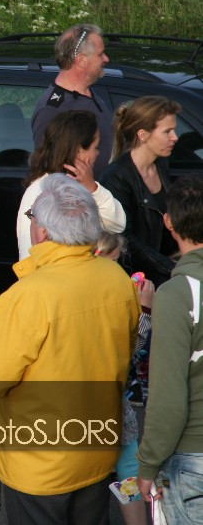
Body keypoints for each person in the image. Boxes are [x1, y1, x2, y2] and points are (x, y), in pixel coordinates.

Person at [0, 174, 139, 524]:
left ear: (42, 232)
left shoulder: (28, 295)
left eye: (32, 218)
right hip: (97, 446)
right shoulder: (116, 279)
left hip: (39, 462)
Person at [138, 175, 203, 523]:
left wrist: (148, 464)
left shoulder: (178, 294)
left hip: (193, 455)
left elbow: (168, 395)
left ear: (168, 222)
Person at [94, 231, 153, 525]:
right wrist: (145, 309)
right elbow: (134, 350)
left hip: (78, 398)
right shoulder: (114, 295)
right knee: (127, 466)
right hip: (110, 398)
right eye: (115, 261)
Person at [16, 110, 125, 260]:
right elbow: (31, 251)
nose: (97, 153)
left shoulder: (80, 186)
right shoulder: (44, 191)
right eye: (95, 147)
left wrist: (93, 189)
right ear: (79, 151)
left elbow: (117, 224)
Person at [101, 95, 181, 284]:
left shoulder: (161, 164)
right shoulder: (116, 177)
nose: (175, 137)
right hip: (138, 280)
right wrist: (171, 268)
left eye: (174, 130)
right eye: (167, 131)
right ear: (143, 134)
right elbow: (126, 240)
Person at [31, 24, 113, 175]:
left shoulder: (91, 93)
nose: (106, 59)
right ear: (81, 60)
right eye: (100, 54)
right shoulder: (53, 109)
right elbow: (50, 169)